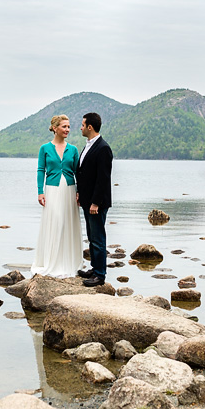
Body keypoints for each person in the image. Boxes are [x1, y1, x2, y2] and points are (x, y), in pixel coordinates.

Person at [31, 115, 83, 278]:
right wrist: (40, 191)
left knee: (68, 223)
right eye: (64, 126)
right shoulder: (44, 148)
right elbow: (41, 170)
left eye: (69, 127)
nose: (67, 129)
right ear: (55, 128)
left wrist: (79, 191)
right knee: (54, 222)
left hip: (69, 189)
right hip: (52, 190)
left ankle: (69, 262)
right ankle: (51, 261)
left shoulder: (73, 149)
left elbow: (77, 172)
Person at [76, 112, 113, 287]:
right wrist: (79, 194)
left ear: (90, 127)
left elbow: (103, 178)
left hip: (96, 203)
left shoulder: (103, 148)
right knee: (92, 237)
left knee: (98, 239)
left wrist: (95, 202)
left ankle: (100, 275)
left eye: (82, 125)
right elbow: (84, 174)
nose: (81, 127)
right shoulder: (89, 145)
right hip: (87, 200)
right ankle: (94, 267)